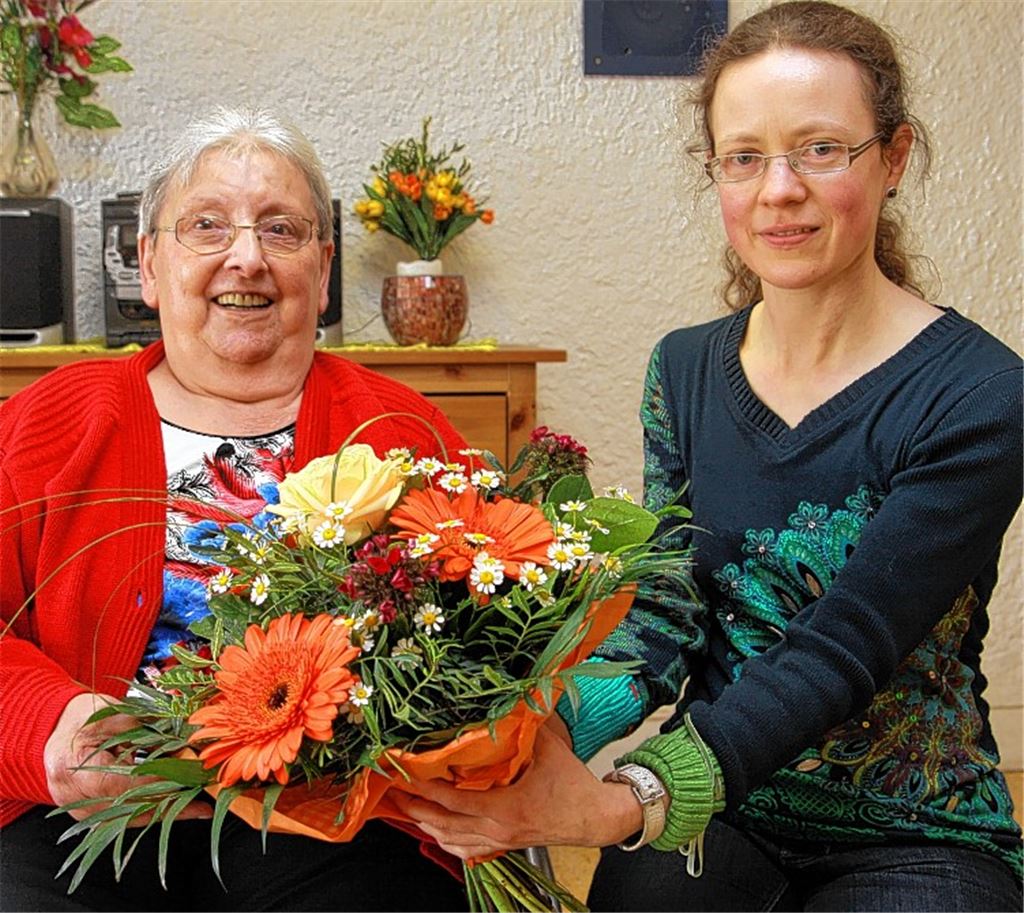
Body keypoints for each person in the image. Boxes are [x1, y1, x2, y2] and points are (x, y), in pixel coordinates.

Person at [392, 2, 1024, 910]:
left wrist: (629, 799)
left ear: (894, 158)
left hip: (912, 829)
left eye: (821, 149)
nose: (779, 189)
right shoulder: (684, 368)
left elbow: (846, 649)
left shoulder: (979, 394)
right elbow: (667, 607)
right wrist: (531, 730)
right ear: (716, 173)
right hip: (721, 818)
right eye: (745, 156)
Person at [0, 107, 470, 911]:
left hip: (330, 821)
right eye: (207, 225)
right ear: (149, 264)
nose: (246, 258)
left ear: (321, 273)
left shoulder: (404, 432)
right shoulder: (47, 424)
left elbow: (483, 641)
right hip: (77, 817)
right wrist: (52, 724)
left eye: (281, 230)